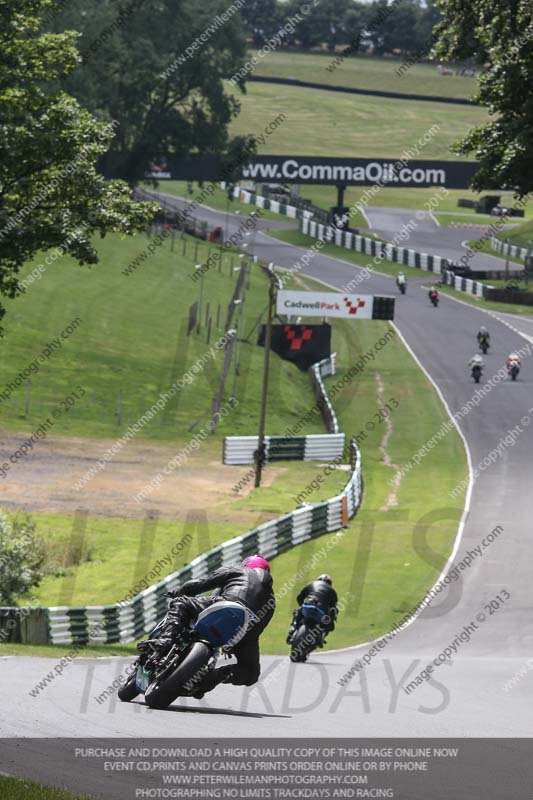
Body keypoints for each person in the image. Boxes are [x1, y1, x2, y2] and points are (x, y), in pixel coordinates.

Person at [138, 555, 275, 697]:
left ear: (246, 564)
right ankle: (212, 678)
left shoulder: (237, 569)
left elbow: (201, 584)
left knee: (181, 603)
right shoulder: (272, 600)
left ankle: (165, 640)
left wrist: (181, 591)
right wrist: (234, 643)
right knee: (250, 673)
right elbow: (258, 630)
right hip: (244, 629)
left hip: (226, 604)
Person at [287, 574, 338, 648]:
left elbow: (299, 597)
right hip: (321, 612)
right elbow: (334, 608)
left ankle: (292, 629)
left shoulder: (312, 584)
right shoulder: (332, 591)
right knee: (330, 624)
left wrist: (301, 605)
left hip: (308, 606)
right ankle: (321, 637)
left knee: (297, 612)